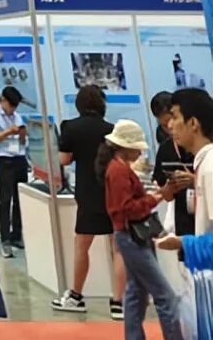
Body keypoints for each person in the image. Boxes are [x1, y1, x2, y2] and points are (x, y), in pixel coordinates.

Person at [98, 119, 183, 340]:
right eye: (136, 148)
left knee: (136, 293)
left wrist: (154, 197)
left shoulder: (117, 168)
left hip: (129, 235)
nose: (139, 152)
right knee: (165, 296)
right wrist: (156, 198)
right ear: (126, 147)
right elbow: (127, 209)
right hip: (132, 236)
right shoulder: (119, 171)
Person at [52, 85, 125, 319]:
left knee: (82, 245)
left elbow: (64, 160)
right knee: (118, 248)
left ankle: (76, 296)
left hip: (87, 193)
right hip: (112, 191)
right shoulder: (111, 129)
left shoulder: (70, 127)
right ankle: (118, 302)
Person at [0, 85, 26, 257]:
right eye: (11, 105)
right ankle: (5, 240)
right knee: (6, 200)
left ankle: (17, 235)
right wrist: (8, 132)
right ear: (3, 101)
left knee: (19, 199)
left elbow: (22, 140)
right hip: (5, 159)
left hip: (20, 157)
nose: (13, 110)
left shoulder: (17, 116)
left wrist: (22, 134)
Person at [168, 87, 213, 236]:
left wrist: (186, 243)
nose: (170, 125)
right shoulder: (204, 162)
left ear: (193, 123)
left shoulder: (210, 166)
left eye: (175, 117)